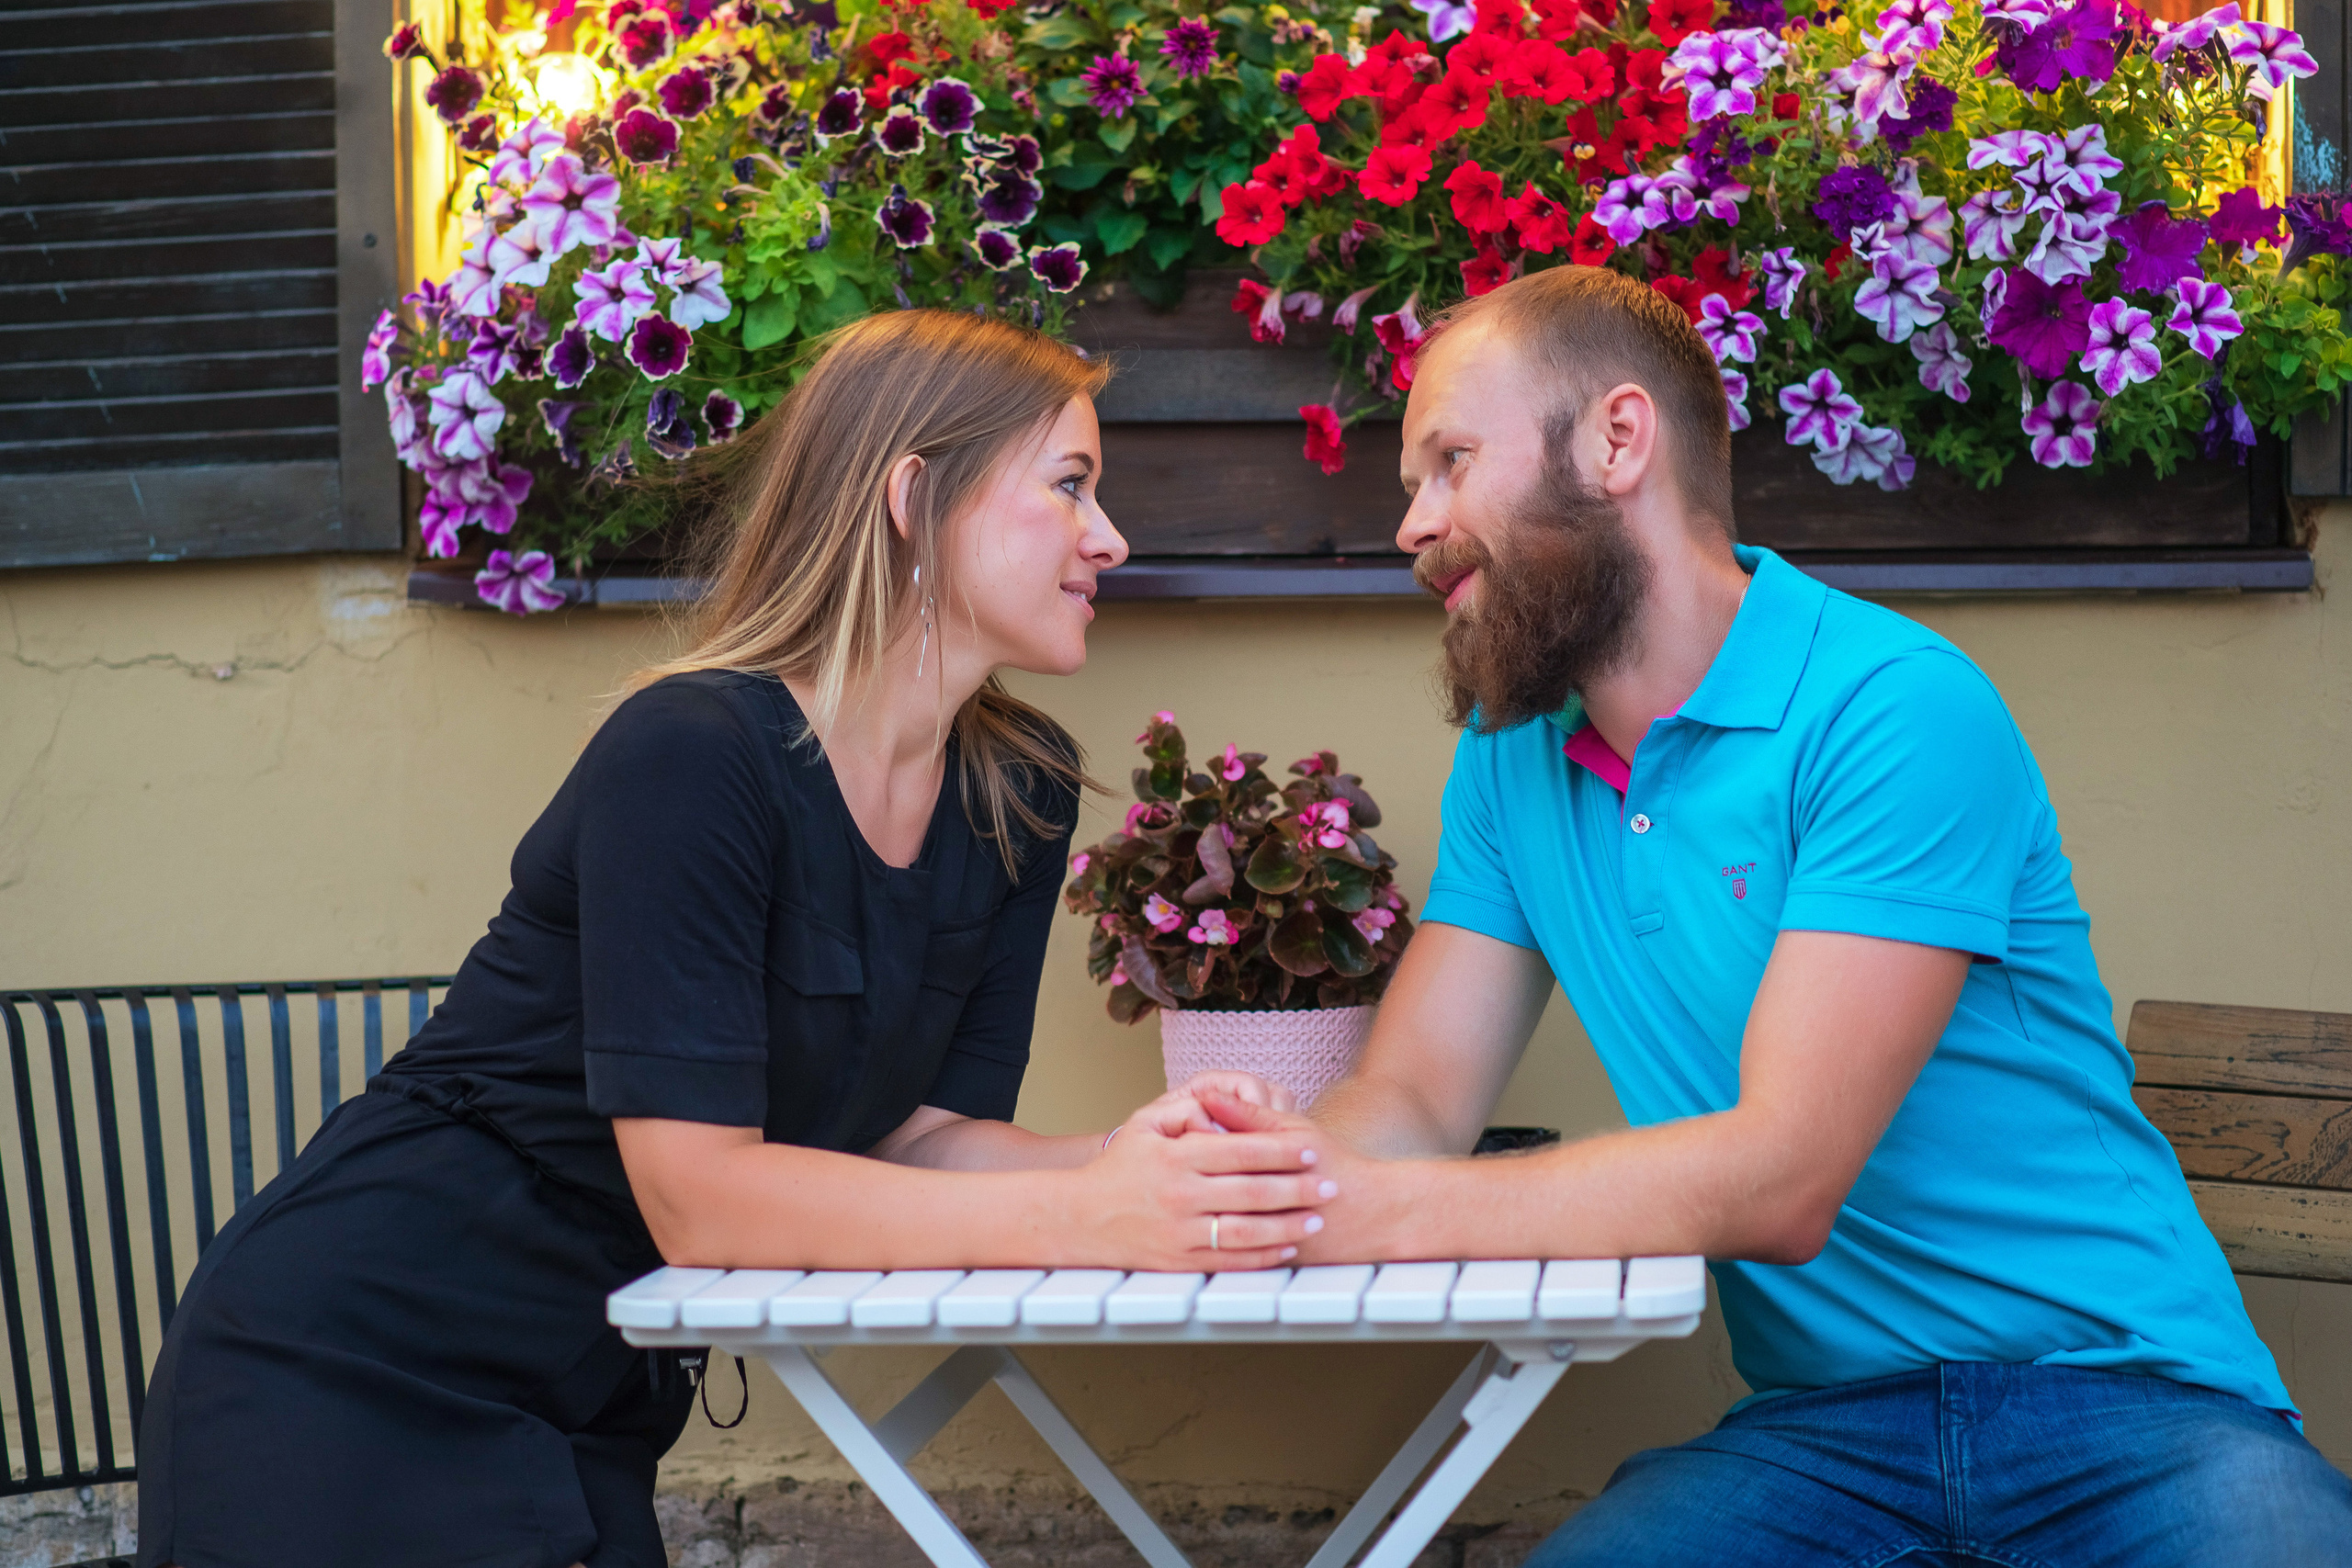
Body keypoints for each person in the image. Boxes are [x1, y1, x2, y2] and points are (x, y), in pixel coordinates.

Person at [136, 310, 1337, 1568]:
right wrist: (1093, 1217)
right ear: (914, 496)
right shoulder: (696, 752)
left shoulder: (1019, 790)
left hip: (589, 1393)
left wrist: (1140, 1161)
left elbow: (920, 1139)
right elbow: (699, 1195)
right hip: (353, 1365)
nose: (1111, 538)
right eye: (1071, 485)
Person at [1193, 265, 2352, 1563]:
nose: (1414, 523)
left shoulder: (1890, 706)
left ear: (1618, 440)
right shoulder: (1511, 755)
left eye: (1451, 461)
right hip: (1824, 1440)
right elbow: (1410, 1101)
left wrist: (1389, 1213)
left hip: (2134, 1411)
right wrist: (1285, 1173)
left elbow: (1784, 1177)